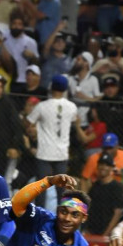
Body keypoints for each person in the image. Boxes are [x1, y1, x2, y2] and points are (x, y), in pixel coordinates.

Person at [26, 75, 83, 206]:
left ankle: (38, 220)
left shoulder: (42, 106)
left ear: (51, 88)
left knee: (41, 188)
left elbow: (28, 121)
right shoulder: (72, 106)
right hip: (61, 153)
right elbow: (76, 120)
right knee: (61, 191)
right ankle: (60, 219)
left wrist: (33, 129)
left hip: (44, 152)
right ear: (64, 89)